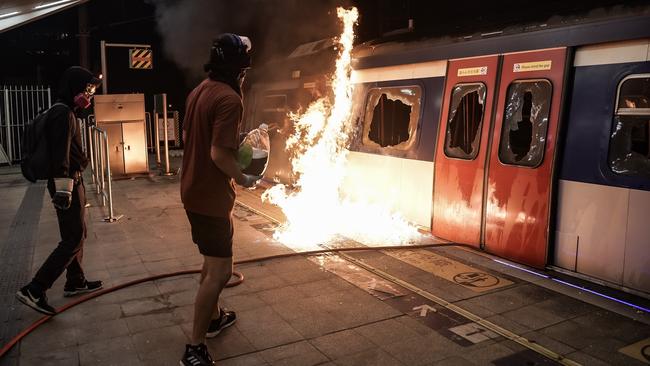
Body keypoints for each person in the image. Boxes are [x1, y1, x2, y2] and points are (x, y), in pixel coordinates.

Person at [180, 34, 260, 366]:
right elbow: (217, 153)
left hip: (192, 190)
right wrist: (244, 177)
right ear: (240, 68)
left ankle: (213, 320)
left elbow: (189, 136)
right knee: (221, 272)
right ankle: (194, 348)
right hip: (212, 197)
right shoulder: (229, 98)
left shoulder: (199, 90)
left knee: (210, 263)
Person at [16, 66, 103, 315]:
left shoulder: (65, 112)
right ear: (74, 88)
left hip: (70, 181)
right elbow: (59, 154)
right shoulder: (62, 114)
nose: (89, 94)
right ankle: (35, 288)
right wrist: (65, 189)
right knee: (73, 238)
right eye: (86, 89)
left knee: (78, 232)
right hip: (67, 182)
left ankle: (76, 281)